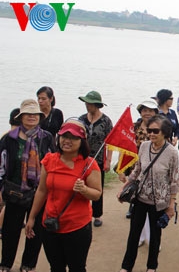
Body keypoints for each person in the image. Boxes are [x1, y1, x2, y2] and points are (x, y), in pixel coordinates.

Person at [25, 119, 102, 272]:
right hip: (50, 224)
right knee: (56, 267)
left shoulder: (89, 164)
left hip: (77, 227)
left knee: (77, 267)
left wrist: (84, 189)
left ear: (82, 141)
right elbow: (42, 190)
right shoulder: (49, 160)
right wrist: (32, 217)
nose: (67, 141)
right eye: (64, 136)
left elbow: (97, 195)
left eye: (73, 137)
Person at [118, 115, 179, 272]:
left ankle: (152, 266)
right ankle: (126, 266)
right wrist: (124, 187)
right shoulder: (144, 146)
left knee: (155, 236)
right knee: (133, 234)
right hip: (140, 198)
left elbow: (174, 180)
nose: (151, 134)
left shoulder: (172, 153)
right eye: (149, 130)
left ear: (164, 132)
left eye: (155, 131)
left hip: (159, 202)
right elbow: (137, 169)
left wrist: (171, 205)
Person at [0, 99, 55, 272]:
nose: (31, 117)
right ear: (21, 116)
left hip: (39, 191)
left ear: (40, 117)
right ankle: (6, 263)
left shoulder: (46, 138)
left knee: (36, 231)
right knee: (10, 231)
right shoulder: (9, 138)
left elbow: (53, 162)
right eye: (28, 114)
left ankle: (28, 264)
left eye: (35, 114)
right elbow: (1, 165)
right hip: (15, 190)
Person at [124, 100, 160, 249]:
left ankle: (153, 238)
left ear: (155, 113)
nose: (147, 113)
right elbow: (125, 146)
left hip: (155, 171)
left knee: (154, 207)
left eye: (150, 110)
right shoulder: (133, 127)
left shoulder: (160, 128)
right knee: (137, 206)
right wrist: (122, 170)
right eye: (144, 110)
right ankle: (140, 236)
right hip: (136, 171)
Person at [78, 91, 113, 227]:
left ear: (97, 105)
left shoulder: (105, 121)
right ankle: (82, 212)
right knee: (81, 186)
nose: (87, 106)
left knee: (97, 187)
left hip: (98, 160)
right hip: (82, 158)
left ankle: (97, 215)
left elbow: (110, 142)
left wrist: (108, 160)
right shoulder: (81, 119)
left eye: (90, 104)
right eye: (86, 103)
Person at [0, 109, 22, 241]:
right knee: (7, 205)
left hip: (5, 177)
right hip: (8, 178)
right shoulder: (11, 137)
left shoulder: (6, 135)